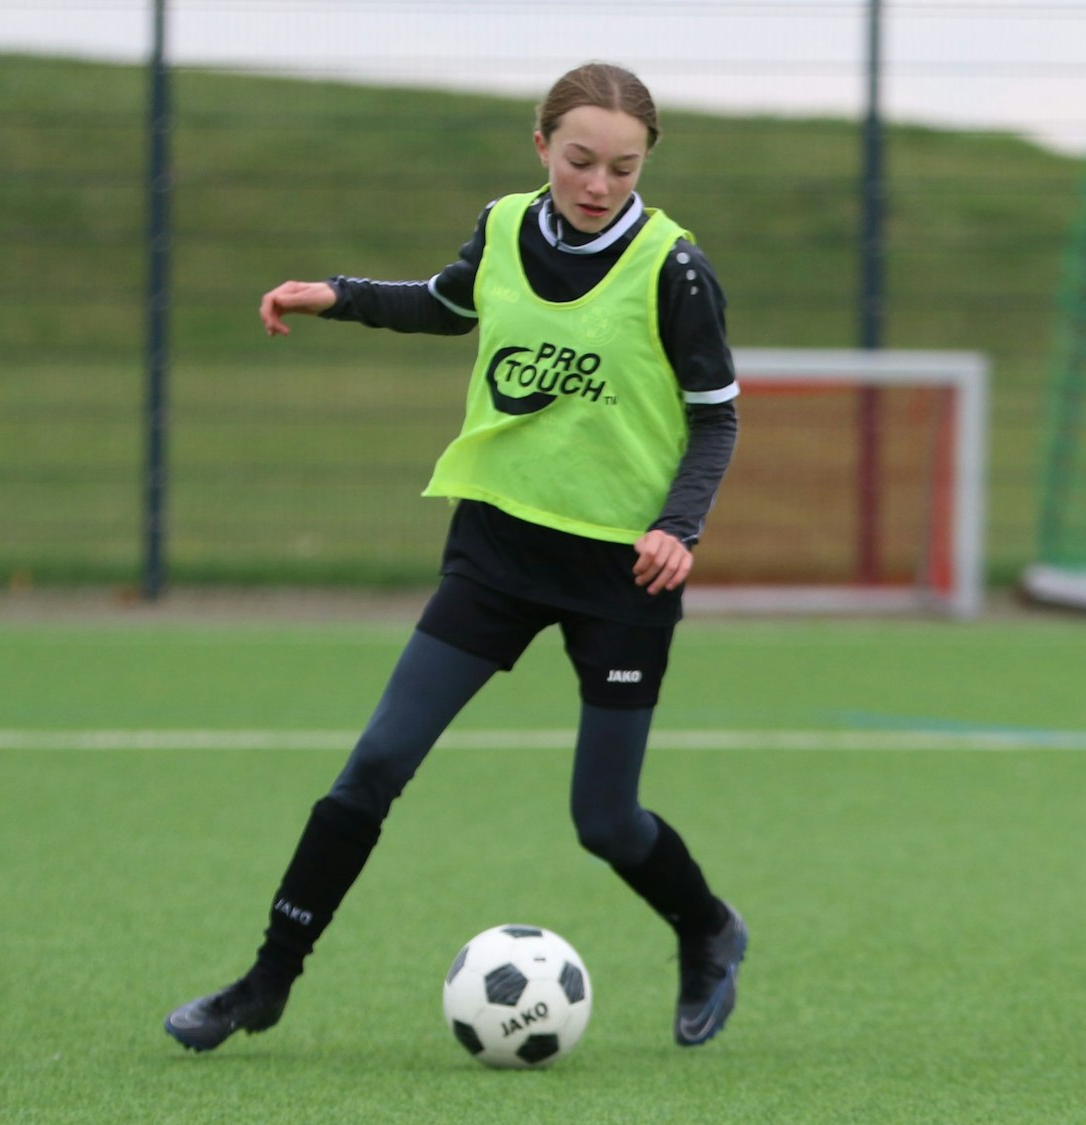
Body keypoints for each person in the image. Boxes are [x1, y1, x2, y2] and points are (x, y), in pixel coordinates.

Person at [165, 61, 749, 1052]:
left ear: (645, 162)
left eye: (620, 166)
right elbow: (446, 302)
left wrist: (676, 526)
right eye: (578, 160)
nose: (597, 183)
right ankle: (265, 982)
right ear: (540, 148)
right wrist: (334, 294)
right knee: (374, 765)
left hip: (621, 572)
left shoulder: (675, 268)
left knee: (604, 821)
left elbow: (715, 421)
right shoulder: (503, 226)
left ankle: (707, 929)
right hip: (497, 547)